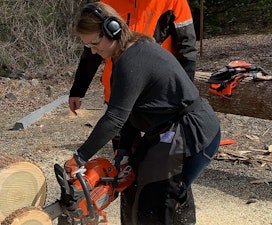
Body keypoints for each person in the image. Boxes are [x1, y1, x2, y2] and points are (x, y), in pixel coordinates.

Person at [64, 2, 220, 224]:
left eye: (95, 43)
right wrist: (124, 151)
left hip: (190, 132)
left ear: (113, 29)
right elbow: (128, 111)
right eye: (88, 45)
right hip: (169, 131)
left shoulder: (133, 59)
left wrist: (79, 157)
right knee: (140, 187)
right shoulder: (124, 56)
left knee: (156, 202)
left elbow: (115, 119)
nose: (93, 51)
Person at [68, 0, 197, 151]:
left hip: (158, 99)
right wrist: (78, 90)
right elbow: (91, 53)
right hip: (118, 92)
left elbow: (186, 51)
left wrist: (182, 98)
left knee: (160, 158)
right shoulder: (105, 4)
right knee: (123, 156)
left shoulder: (174, 2)